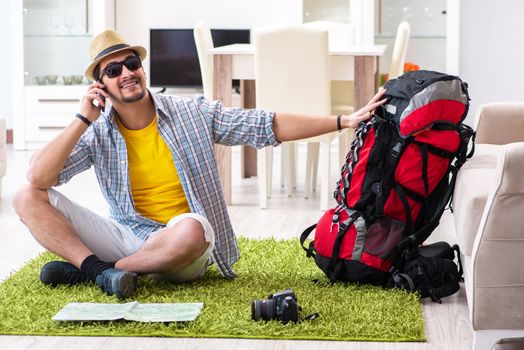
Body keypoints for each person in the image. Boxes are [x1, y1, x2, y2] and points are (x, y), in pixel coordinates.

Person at [12, 30, 386, 299]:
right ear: (101, 87)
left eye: (131, 63)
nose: (126, 73)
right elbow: (39, 177)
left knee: (191, 229)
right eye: (113, 71)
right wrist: (81, 120)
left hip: (185, 238)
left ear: (142, 69)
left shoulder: (192, 113)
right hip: (129, 234)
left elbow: (265, 124)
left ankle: (100, 270)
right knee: (25, 195)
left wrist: (342, 121)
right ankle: (101, 271)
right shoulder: (97, 132)